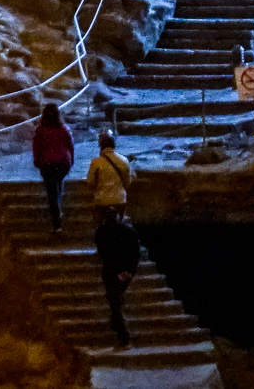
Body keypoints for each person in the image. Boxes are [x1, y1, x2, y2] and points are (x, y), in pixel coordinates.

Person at [94, 204, 141, 347]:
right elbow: (136, 253)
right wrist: (130, 271)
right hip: (125, 272)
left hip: (111, 272)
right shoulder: (129, 232)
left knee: (114, 301)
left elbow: (102, 253)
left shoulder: (101, 232)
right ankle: (115, 324)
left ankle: (123, 335)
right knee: (116, 298)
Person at [32, 102, 75, 232]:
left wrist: (37, 160)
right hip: (62, 163)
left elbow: (36, 147)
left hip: (47, 163)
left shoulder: (41, 130)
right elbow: (70, 144)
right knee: (57, 185)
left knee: (51, 191)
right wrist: (71, 159)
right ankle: (58, 205)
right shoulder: (63, 129)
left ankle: (57, 222)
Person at [87, 130, 133, 210]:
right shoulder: (124, 160)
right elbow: (127, 182)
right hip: (120, 199)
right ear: (114, 145)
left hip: (102, 200)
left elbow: (91, 182)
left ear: (100, 146)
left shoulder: (96, 162)